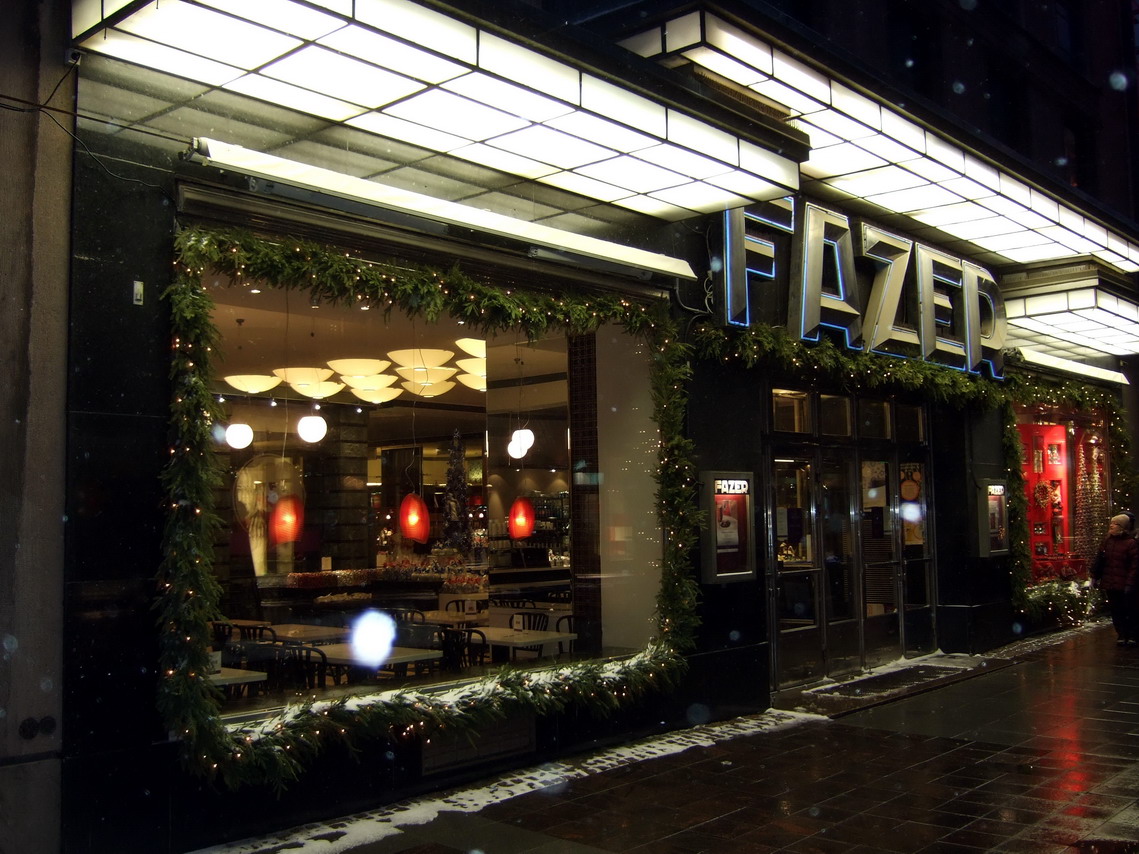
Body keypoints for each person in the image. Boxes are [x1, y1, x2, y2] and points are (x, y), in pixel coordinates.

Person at [1097, 514, 1139, 645]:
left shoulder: (1131, 543)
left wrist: (1130, 583)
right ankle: (1121, 634)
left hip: (1125, 583)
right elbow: (1100, 560)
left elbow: (1135, 565)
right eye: (1111, 523)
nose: (1111, 526)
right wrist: (1094, 575)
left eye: (1115, 524)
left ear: (1122, 527)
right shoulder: (1107, 541)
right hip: (1111, 583)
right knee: (1116, 610)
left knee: (1129, 609)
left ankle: (1132, 635)